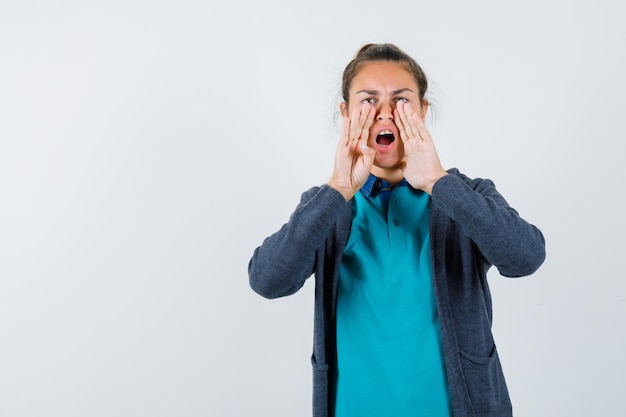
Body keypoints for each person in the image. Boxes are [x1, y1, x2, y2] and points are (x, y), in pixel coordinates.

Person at [248, 43, 546, 417]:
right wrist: (339, 189)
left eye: (402, 100)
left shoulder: (467, 194)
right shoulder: (326, 206)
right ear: (346, 113)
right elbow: (267, 280)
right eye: (368, 100)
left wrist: (438, 182)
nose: (384, 112)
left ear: (423, 110)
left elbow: (526, 257)